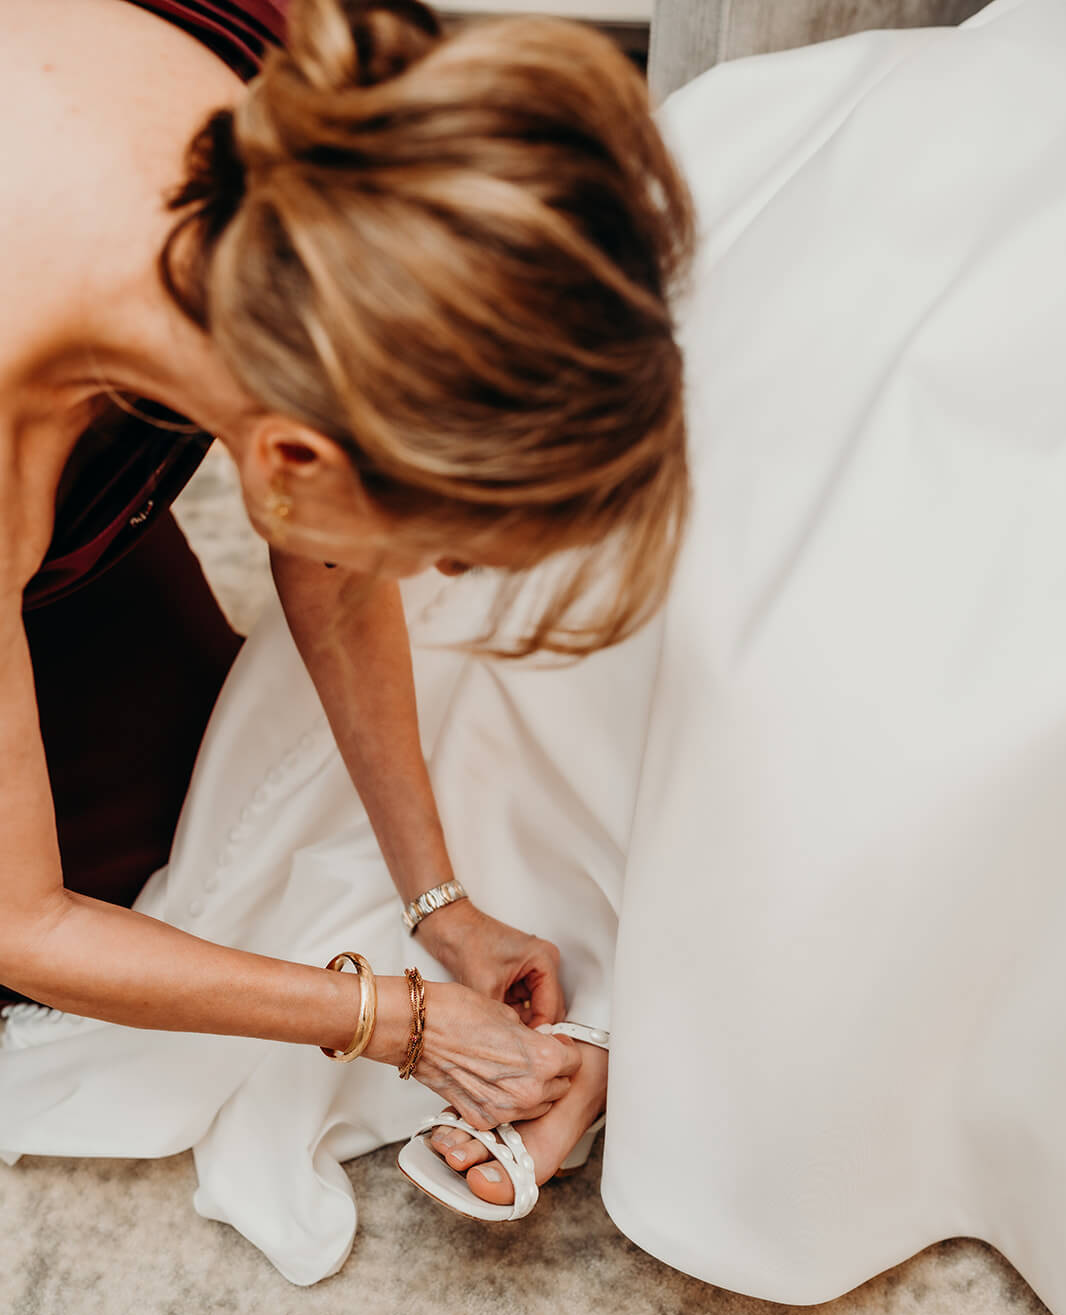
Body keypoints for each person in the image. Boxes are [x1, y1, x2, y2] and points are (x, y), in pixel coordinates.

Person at [0, 0, 692, 1212]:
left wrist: (441, 903)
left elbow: (336, 558)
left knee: (205, 839)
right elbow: (24, 918)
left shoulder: (327, 109)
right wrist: (398, 1023)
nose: (437, 580)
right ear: (291, 462)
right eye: (443, 548)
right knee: (95, 946)